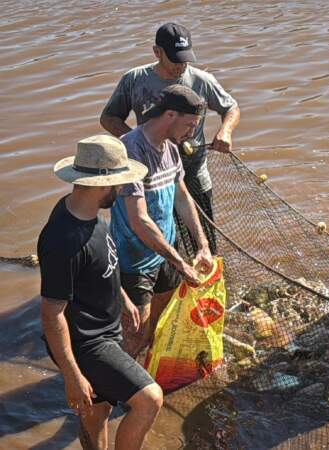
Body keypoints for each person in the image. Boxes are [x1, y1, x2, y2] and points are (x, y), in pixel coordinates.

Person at [38, 135, 164, 450]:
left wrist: (122, 297)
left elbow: (98, 263)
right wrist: (73, 376)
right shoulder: (63, 240)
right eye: (118, 183)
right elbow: (51, 314)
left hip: (104, 329)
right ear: (101, 184)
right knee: (149, 399)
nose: (122, 189)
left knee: (98, 411)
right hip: (87, 343)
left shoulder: (86, 209)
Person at [100, 22, 240, 254]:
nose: (181, 66)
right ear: (157, 52)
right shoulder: (135, 79)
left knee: (204, 239)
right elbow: (108, 118)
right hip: (151, 176)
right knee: (159, 236)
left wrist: (225, 131)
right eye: (175, 59)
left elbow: (231, 108)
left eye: (185, 59)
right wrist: (136, 142)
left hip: (193, 172)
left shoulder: (202, 80)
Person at [110, 85, 213, 359]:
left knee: (160, 327)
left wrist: (202, 245)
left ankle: (147, 375)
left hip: (166, 254)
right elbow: (139, 220)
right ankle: (113, 384)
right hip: (134, 260)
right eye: (189, 125)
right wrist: (181, 263)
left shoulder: (171, 148)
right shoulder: (131, 150)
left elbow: (182, 197)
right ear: (170, 115)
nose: (192, 133)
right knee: (134, 336)